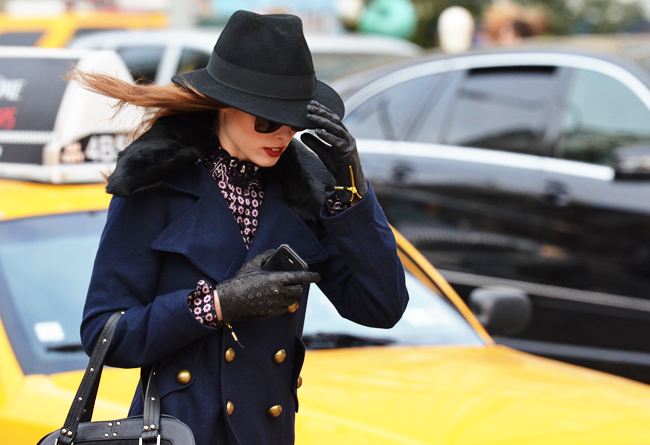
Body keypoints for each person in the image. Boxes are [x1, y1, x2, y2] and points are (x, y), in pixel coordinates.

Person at [78, 10, 409, 445]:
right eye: (267, 120)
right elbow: (104, 332)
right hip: (180, 432)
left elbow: (382, 307)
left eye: (295, 122)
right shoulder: (156, 182)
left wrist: (353, 190)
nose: (283, 135)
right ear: (224, 106)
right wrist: (215, 305)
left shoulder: (304, 190)